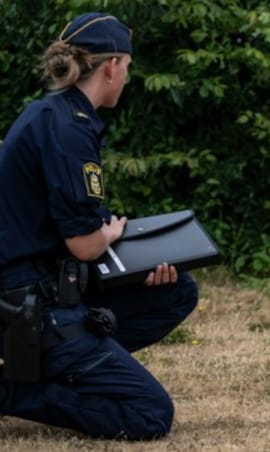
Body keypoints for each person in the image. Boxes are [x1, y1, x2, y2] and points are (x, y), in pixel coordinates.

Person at [0, 12, 198, 439]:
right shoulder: (70, 130)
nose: (127, 77)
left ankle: (75, 361)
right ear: (111, 66)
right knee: (149, 414)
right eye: (127, 67)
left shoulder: (53, 115)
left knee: (176, 288)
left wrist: (131, 259)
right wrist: (109, 233)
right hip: (33, 304)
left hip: (48, 287)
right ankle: (15, 389)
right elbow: (86, 245)